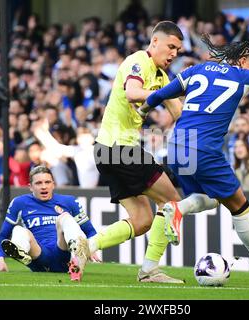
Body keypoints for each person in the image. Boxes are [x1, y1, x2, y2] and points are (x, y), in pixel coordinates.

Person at [138, 36, 249, 278]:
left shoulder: (196, 69)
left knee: (211, 198)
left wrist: (143, 110)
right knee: (240, 206)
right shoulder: (241, 75)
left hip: (176, 147)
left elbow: (160, 95)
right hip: (204, 149)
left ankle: (178, 208)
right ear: (242, 60)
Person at [90, 21, 185, 283]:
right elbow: (132, 93)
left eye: (178, 49)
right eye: (171, 46)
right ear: (154, 42)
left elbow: (180, 115)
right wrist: (162, 94)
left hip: (106, 152)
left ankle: (87, 246)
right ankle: (149, 271)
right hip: (120, 148)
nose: (174, 53)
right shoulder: (138, 61)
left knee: (142, 220)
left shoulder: (163, 77)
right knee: (172, 202)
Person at [0, 166, 98, 281]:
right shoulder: (19, 203)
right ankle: (20, 252)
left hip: (63, 253)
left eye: (47, 182)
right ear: (30, 187)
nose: (44, 186)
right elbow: (3, 234)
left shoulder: (69, 201)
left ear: (53, 184)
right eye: (38, 183)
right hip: (37, 256)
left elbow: (90, 230)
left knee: (65, 218)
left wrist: (92, 248)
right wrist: (0, 259)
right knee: (18, 230)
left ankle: (77, 259)